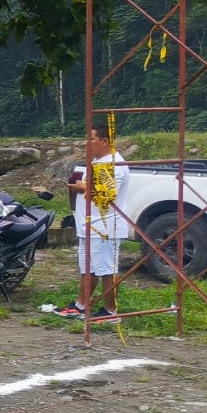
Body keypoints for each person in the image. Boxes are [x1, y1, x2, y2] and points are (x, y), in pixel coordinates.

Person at [59, 128, 131, 322]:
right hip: (89, 226)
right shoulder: (98, 162)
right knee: (88, 268)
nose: (87, 143)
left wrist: (82, 187)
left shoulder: (113, 163)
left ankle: (111, 311)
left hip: (104, 227)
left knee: (107, 269)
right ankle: (81, 305)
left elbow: (107, 194)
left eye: (91, 139)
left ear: (104, 141)